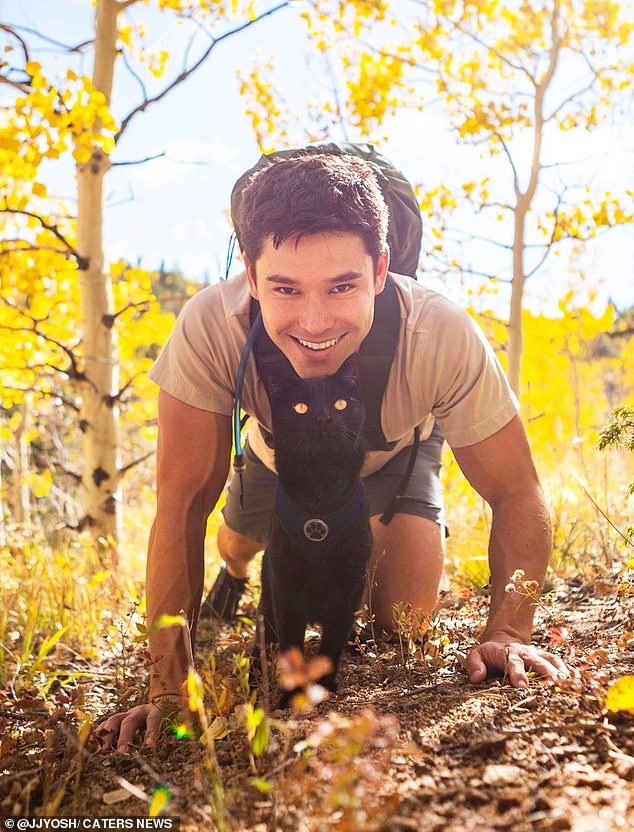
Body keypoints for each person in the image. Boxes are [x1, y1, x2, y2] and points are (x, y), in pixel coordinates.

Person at [96, 151, 568, 753]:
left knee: (404, 621)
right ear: (251, 272)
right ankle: (236, 575)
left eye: (342, 285)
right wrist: (167, 688)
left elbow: (516, 489)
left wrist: (508, 628)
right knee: (238, 542)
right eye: (285, 289)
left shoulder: (440, 333)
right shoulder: (210, 326)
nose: (314, 321)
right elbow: (182, 504)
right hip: (276, 456)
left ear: (379, 271)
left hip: (395, 456)